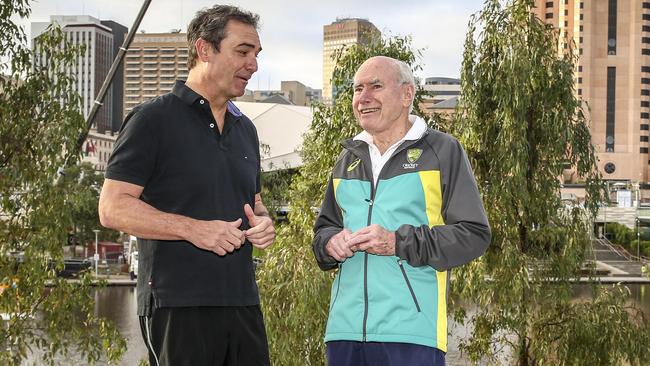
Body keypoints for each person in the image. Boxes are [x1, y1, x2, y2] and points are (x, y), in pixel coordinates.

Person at [98, 5, 274, 366]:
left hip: (244, 303)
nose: (253, 64)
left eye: (256, 54)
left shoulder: (247, 131)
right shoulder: (152, 119)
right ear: (204, 49)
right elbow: (112, 207)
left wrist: (264, 223)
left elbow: (254, 203)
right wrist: (193, 229)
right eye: (242, 52)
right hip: (177, 305)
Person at [312, 56, 491, 365]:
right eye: (357, 89)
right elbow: (323, 230)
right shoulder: (347, 157)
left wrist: (398, 242)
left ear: (407, 95)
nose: (363, 97)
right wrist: (329, 244)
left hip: (411, 334)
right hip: (344, 332)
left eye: (375, 86)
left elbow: (474, 234)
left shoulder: (442, 150)